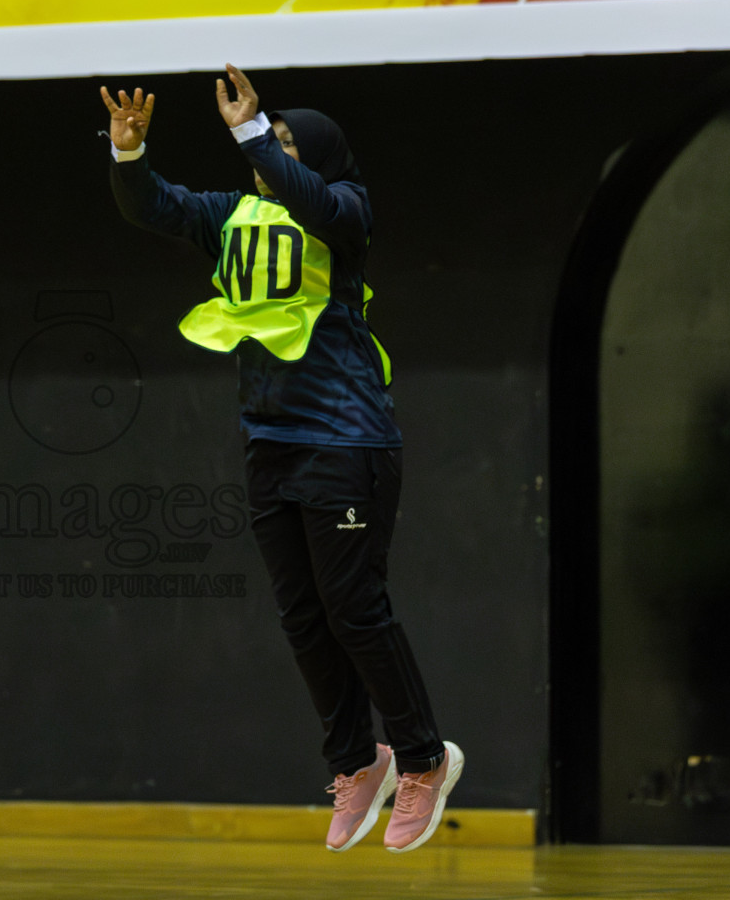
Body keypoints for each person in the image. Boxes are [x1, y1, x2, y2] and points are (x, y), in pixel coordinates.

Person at [102, 67, 463, 855]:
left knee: (354, 608)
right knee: (303, 616)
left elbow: (311, 195)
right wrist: (129, 156)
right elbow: (155, 206)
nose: (269, 156)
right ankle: (354, 761)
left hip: (346, 437)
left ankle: (425, 757)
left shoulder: (347, 212)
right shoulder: (232, 215)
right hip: (270, 440)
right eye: (266, 145)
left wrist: (254, 133)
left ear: (319, 155)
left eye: (287, 144)